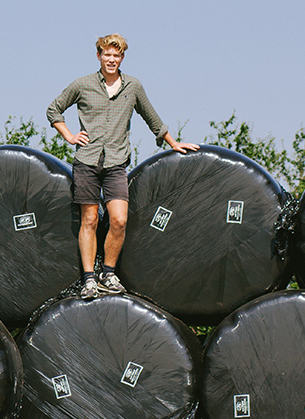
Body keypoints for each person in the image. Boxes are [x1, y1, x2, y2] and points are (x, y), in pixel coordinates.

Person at [47, 34, 198, 298]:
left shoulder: (133, 86)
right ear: (99, 56)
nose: (111, 59)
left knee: (118, 220)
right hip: (87, 162)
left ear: (122, 58)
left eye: (116, 55)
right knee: (90, 220)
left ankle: (108, 272)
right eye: (107, 54)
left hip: (116, 163)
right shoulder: (82, 85)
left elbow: (152, 118)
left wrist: (173, 143)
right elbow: (54, 109)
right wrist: (70, 136)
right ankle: (89, 279)